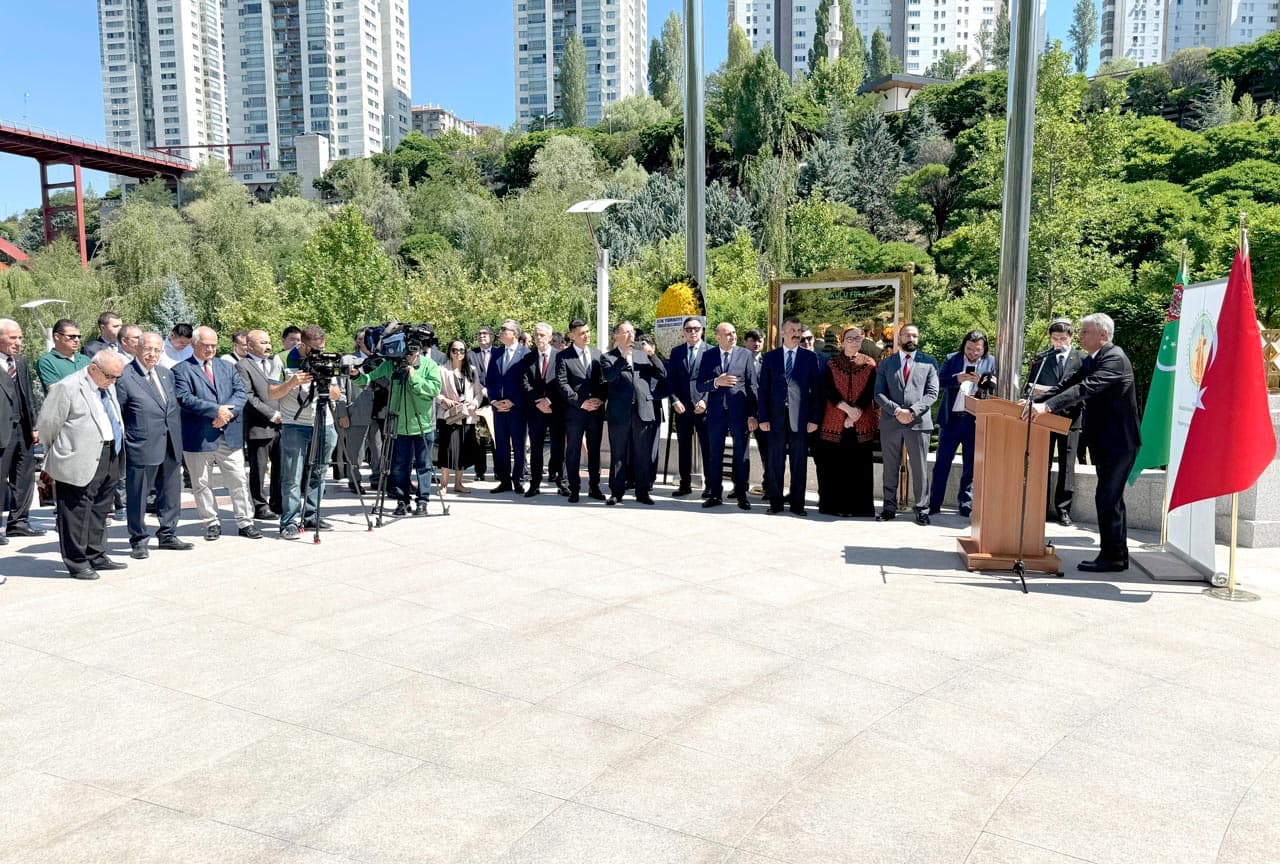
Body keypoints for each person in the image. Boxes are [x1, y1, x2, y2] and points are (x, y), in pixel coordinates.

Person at [1030, 313, 1140, 572]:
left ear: (1103, 335)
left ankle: (1113, 557)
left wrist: (1048, 407)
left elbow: (1086, 388)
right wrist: (1036, 402)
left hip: (1119, 442)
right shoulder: (1094, 358)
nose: (1080, 336)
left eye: (1085, 332)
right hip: (1105, 441)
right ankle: (1116, 555)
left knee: (1108, 498)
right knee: (1109, 499)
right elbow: (1068, 383)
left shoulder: (1114, 358)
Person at [36, 352, 128, 579]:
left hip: (109, 453)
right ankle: (76, 562)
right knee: (75, 512)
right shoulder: (67, 387)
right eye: (109, 376)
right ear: (94, 368)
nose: (113, 381)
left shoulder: (107, 386)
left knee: (100, 509)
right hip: (77, 457)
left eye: (117, 377)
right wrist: (57, 455)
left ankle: (96, 554)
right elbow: (48, 426)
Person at [173, 326, 262, 541]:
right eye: (206, 345)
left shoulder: (227, 367)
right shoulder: (181, 370)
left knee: (238, 479)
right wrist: (216, 411)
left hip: (228, 433)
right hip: (199, 435)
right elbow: (185, 398)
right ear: (194, 344)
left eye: (214, 345)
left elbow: (241, 393)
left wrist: (226, 414)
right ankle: (211, 522)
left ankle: (245, 522)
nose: (211, 349)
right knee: (201, 482)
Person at [115, 332, 194, 558]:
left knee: (170, 493)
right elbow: (119, 414)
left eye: (157, 350)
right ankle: (138, 540)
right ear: (137, 348)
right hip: (141, 445)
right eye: (148, 349)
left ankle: (168, 534)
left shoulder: (165, 374)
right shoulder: (125, 376)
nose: (152, 354)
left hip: (170, 443)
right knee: (138, 495)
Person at [354, 335, 442, 516]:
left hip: (423, 424)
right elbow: (368, 379)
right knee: (400, 466)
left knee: (424, 466)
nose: (408, 355)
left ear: (418, 350)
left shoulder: (429, 365)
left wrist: (414, 376)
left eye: (412, 352)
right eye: (406, 351)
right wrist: (355, 376)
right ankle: (402, 501)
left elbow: (434, 389)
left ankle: (423, 502)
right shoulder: (391, 365)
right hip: (399, 426)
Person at [270, 325, 344, 538]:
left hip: (324, 423)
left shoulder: (326, 359)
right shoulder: (282, 359)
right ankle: (289, 522)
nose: (320, 352)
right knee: (292, 476)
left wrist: (323, 381)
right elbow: (272, 393)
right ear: (302, 345)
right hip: (295, 425)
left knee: (319, 473)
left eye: (322, 347)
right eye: (315, 349)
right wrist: (293, 382)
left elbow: (337, 393)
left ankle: (311, 515)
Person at [874, 323, 939, 525]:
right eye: (907, 335)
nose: (911, 339)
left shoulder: (929, 362)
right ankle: (888, 508)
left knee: (919, 468)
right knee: (890, 467)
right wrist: (896, 411)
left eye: (914, 336)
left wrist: (912, 412)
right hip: (891, 422)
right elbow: (878, 393)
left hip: (918, 422)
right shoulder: (887, 363)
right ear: (899, 338)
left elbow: (932, 393)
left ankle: (922, 509)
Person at [757, 317, 822, 516]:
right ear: (783, 332)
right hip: (775, 418)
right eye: (792, 330)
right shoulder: (770, 357)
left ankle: (797, 505)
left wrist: (814, 419)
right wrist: (763, 418)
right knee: (775, 462)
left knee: (799, 462)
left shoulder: (809, 358)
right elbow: (763, 390)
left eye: (799, 330)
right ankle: (775, 504)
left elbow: (817, 391)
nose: (796, 334)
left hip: (800, 419)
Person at [929, 330, 997, 518]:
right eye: (969, 349)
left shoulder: (991, 361)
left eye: (977, 350)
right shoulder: (952, 358)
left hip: (975, 420)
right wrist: (956, 379)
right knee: (942, 463)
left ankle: (966, 503)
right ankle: (934, 503)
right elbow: (937, 381)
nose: (973, 353)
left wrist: (981, 382)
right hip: (951, 420)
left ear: (984, 349)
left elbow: (995, 386)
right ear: (964, 346)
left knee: (971, 465)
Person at [815, 326, 879, 517]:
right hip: (835, 421)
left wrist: (855, 413)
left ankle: (860, 508)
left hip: (862, 421)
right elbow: (828, 390)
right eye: (850, 338)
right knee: (835, 466)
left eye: (857, 338)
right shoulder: (832, 363)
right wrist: (848, 410)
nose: (854, 342)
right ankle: (835, 507)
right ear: (842, 342)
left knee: (860, 466)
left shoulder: (870, 363)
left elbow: (870, 391)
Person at [601, 321, 666, 506]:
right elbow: (609, 377)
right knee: (618, 454)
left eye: (632, 332)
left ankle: (642, 491)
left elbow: (662, 374)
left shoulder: (642, 355)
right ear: (616, 336)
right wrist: (623, 358)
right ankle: (616, 491)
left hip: (642, 412)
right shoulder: (608, 357)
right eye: (626, 332)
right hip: (619, 413)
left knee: (642, 454)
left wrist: (652, 355)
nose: (631, 335)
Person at [1029, 318, 1086, 526]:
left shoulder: (1082, 359)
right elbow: (1031, 387)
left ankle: (1063, 509)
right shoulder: (1042, 359)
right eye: (1055, 339)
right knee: (1041, 462)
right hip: (1043, 418)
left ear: (1071, 337)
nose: (1059, 343)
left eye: (1063, 338)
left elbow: (1084, 388)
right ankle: (1039, 507)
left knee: (1067, 464)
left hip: (1071, 417)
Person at [696, 322, 758, 510]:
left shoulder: (745, 354)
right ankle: (715, 494)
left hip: (739, 413)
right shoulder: (708, 356)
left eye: (734, 333)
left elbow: (752, 386)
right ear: (718, 337)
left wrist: (752, 414)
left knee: (741, 454)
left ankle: (741, 494)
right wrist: (717, 382)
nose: (733, 337)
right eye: (728, 334)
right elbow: (700, 385)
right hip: (716, 414)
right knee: (715, 454)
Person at [0, 319, 43, 550]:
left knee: (24, 477)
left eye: (20, 338)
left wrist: (35, 426)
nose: (18, 342)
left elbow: (29, 396)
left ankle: (19, 522)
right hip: (2, 431)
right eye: (13, 338)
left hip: (23, 429)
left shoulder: (21, 363)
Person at [557, 318, 607, 503]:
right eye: (582, 333)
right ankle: (574, 488)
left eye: (587, 331)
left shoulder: (597, 354)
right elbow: (562, 384)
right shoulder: (564, 356)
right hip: (575, 412)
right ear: (572, 336)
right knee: (573, 451)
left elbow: (603, 382)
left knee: (594, 450)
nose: (586, 335)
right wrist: (581, 403)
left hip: (595, 411)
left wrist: (600, 399)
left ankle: (594, 487)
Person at [236, 329, 283, 518]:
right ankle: (260, 506)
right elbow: (247, 397)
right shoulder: (242, 366)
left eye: (269, 342)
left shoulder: (274, 363)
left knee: (280, 467)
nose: (268, 346)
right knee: (259, 469)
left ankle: (278, 503)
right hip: (259, 426)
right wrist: (271, 414)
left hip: (282, 425)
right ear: (250, 346)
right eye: (263, 343)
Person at [666, 316, 711, 498]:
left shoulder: (711, 351)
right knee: (683, 447)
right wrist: (675, 400)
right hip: (682, 408)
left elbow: (715, 380)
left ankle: (710, 486)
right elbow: (671, 380)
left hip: (703, 407)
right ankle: (685, 484)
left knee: (708, 448)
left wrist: (705, 400)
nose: (693, 332)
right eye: (689, 329)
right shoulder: (676, 352)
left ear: (702, 331)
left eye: (696, 329)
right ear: (683, 332)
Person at [485, 319, 530, 494]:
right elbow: (490, 380)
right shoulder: (497, 353)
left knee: (518, 446)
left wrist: (513, 401)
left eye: (504, 329)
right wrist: (494, 400)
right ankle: (504, 480)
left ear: (515, 334)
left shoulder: (525, 353)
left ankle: (518, 480)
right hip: (499, 408)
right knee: (501, 445)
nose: (501, 332)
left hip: (517, 408)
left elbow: (527, 382)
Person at [522, 322, 564, 497]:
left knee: (559, 447)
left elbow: (562, 381)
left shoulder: (560, 357)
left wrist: (549, 400)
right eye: (536, 335)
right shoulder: (528, 358)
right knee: (536, 448)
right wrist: (538, 402)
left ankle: (562, 482)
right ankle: (535, 484)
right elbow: (524, 382)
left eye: (542, 335)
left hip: (556, 409)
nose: (538, 338)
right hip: (536, 410)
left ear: (550, 337)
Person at [435, 339, 482, 495]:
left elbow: (478, 393)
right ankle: (443, 484)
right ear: (449, 352)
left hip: (466, 415)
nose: (458, 353)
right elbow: (435, 392)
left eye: (462, 350)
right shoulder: (442, 370)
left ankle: (458, 483)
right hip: (449, 415)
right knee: (447, 449)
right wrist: (445, 400)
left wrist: (474, 404)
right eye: (454, 350)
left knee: (463, 450)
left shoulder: (472, 370)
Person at [339, 329, 382, 496]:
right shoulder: (348, 360)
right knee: (355, 450)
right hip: (356, 411)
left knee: (378, 448)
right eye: (364, 339)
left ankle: (377, 479)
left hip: (379, 411)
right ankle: (354, 481)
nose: (369, 341)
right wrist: (342, 412)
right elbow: (340, 388)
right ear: (358, 341)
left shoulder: (381, 359)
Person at [35, 318, 92, 393]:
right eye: (72, 336)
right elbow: (56, 392)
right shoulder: (47, 361)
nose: (77, 340)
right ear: (57, 336)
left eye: (79, 337)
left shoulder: (85, 359)